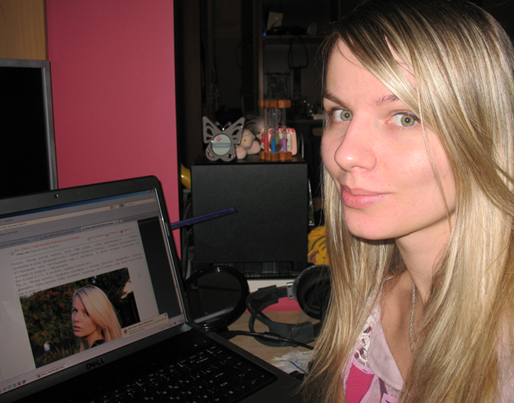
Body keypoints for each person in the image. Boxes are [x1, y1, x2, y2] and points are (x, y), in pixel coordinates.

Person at [302, 0, 514, 401]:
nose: (345, 154)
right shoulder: (372, 308)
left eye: (405, 118)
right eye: (341, 113)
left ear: (483, 134)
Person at [72, 285, 122, 351]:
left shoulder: (101, 350)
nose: (76, 319)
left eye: (86, 313)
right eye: (75, 311)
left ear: (100, 316)